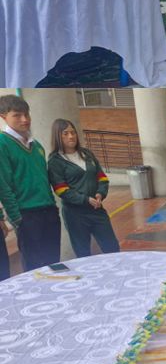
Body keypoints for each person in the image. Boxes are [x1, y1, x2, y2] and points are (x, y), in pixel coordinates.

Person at [0, 94, 61, 271]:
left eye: (26, 114)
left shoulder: (37, 145)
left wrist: (52, 205)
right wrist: (16, 218)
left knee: (53, 263)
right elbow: (3, 185)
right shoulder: (3, 144)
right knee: (34, 268)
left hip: (48, 211)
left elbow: (43, 179)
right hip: (26, 215)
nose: (24, 119)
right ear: (3, 117)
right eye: (17, 115)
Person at [47, 119, 120, 257]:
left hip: (96, 209)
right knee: (83, 253)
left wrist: (100, 193)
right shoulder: (55, 161)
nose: (71, 136)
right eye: (65, 133)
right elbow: (61, 190)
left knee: (112, 247)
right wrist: (86, 200)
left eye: (73, 132)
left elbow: (102, 177)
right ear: (57, 136)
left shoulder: (87, 154)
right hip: (75, 214)